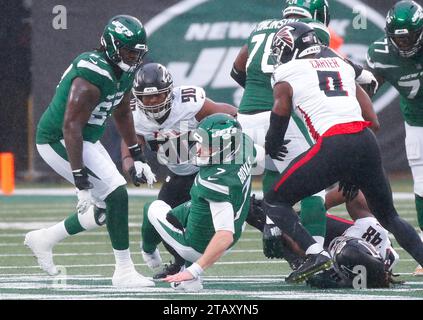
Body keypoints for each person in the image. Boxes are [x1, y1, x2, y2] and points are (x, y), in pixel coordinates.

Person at [263, 21, 423, 283]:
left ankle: (315, 254)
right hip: (365, 140)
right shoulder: (340, 63)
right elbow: (368, 86)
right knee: (389, 215)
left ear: (292, 48)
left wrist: (273, 142)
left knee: (274, 201)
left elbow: (281, 110)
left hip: (334, 142)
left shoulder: (287, 71)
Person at [232, 0, 379, 250]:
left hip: (246, 116)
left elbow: (236, 71)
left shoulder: (261, 27)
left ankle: (273, 228)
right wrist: (362, 74)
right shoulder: (312, 30)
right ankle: (317, 255)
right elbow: (329, 61)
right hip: (277, 114)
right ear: (319, 14)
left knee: (276, 171)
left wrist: (260, 92)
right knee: (315, 189)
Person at [24, 15, 156, 288]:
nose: (133, 58)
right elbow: (70, 126)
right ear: (111, 45)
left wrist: (137, 153)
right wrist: (79, 179)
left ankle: (45, 239)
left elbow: (121, 109)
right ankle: (123, 271)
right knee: (116, 194)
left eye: (137, 53)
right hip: (58, 138)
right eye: (129, 51)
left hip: (84, 138)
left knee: (106, 211)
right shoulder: (91, 76)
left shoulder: (123, 70)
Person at [120, 63, 237, 279]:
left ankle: (295, 253)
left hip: (207, 170)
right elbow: (129, 148)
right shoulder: (135, 116)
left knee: (245, 209)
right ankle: (179, 263)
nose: (152, 101)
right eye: (146, 97)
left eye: (157, 95)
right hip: (178, 174)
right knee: (164, 217)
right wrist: (133, 166)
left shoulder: (189, 103)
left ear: (169, 92)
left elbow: (231, 115)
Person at [140, 113, 263, 291]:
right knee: (186, 212)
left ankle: (149, 252)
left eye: (206, 146)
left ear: (224, 146)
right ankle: (188, 273)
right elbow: (260, 154)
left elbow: (224, 235)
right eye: (199, 142)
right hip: (237, 226)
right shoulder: (243, 144)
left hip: (200, 246)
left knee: (151, 208)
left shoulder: (214, 181)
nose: (198, 150)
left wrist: (194, 270)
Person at [366, 0, 423, 275]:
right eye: (398, 38)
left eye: (409, 37)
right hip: (416, 122)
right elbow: (369, 88)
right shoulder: (380, 52)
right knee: (422, 185)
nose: (404, 44)